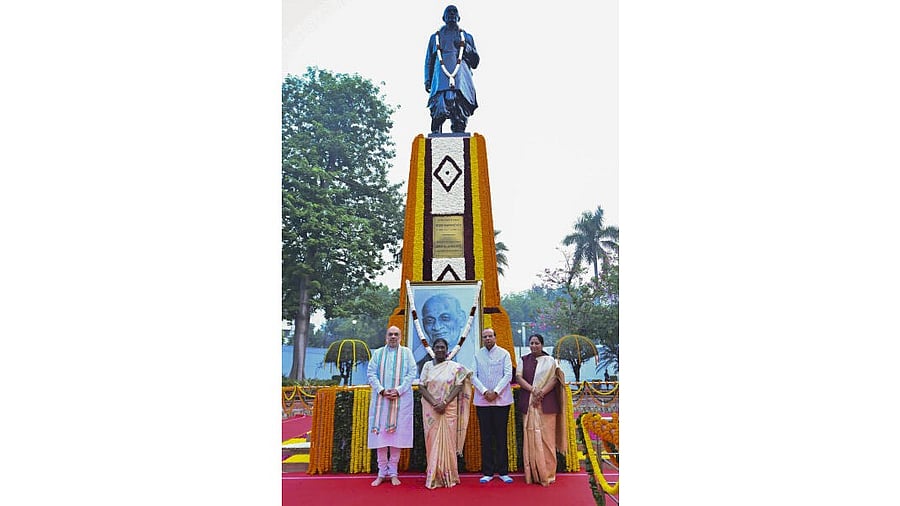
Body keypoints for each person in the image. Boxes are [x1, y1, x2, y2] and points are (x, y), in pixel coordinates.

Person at [418, 338, 473, 489]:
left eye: (443, 347)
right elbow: (421, 386)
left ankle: (449, 476)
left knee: (449, 441)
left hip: (448, 409)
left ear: (447, 350)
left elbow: (459, 385)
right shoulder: (427, 366)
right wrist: (435, 403)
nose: (440, 350)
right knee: (432, 441)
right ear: (433, 349)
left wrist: (445, 402)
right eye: (437, 347)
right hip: (431, 409)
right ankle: (433, 475)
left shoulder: (454, 367)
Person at [515, 334, 568, 487]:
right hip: (529, 404)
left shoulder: (551, 361)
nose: (534, 346)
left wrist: (541, 393)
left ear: (542, 345)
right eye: (531, 343)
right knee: (531, 439)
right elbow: (518, 378)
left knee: (547, 440)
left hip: (547, 405)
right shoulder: (523, 360)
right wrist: (533, 390)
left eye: (537, 343)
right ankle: (533, 473)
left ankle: (548, 474)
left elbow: (555, 379)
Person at [367, 326, 416, 486]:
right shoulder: (378, 353)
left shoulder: (407, 353)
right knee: (380, 437)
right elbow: (371, 373)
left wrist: (399, 390)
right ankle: (381, 473)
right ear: (386, 337)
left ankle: (393, 472)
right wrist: (381, 391)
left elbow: (412, 373)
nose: (393, 337)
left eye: (396, 334)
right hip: (381, 401)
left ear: (401, 337)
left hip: (400, 400)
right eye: (390, 334)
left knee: (396, 437)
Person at [424, 5, 479, 134]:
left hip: (461, 80)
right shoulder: (435, 38)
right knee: (438, 110)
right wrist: (427, 80)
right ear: (443, 17)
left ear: (459, 17)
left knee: (459, 113)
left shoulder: (466, 37)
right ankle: (436, 133)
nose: (452, 14)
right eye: (449, 12)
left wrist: (465, 46)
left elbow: (475, 62)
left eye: (455, 12)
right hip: (440, 79)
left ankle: (459, 132)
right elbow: (429, 61)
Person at [472, 328, 514, 484]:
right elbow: (473, 375)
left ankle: (503, 471)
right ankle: (488, 472)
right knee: (486, 436)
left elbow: (508, 375)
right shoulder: (477, 355)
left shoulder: (504, 354)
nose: (488, 338)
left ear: (495, 337)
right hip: (482, 402)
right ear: (482, 339)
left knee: (501, 436)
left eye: (490, 336)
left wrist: (495, 392)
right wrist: (484, 391)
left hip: (501, 401)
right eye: (485, 337)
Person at [413, 293, 467, 374]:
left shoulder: (474, 357)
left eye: (445, 318)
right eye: (429, 321)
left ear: (461, 319)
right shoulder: (419, 363)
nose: (437, 327)